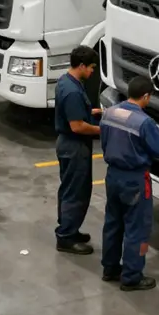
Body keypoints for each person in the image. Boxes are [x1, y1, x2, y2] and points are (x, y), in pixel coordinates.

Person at [100, 76, 159, 291]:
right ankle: (131, 277)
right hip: (135, 180)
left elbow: (104, 141)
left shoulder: (110, 113)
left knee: (113, 223)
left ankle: (110, 269)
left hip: (113, 175)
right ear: (146, 96)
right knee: (136, 229)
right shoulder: (144, 122)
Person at [53, 45, 102, 255]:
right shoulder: (73, 91)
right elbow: (77, 126)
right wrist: (103, 130)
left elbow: (74, 113)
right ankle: (65, 237)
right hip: (75, 146)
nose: (92, 72)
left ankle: (69, 230)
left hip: (67, 144)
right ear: (81, 65)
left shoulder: (66, 81)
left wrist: (92, 111)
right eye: (91, 67)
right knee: (76, 192)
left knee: (69, 188)